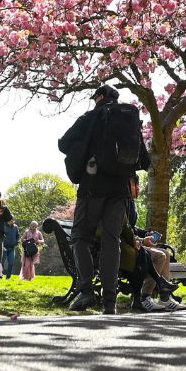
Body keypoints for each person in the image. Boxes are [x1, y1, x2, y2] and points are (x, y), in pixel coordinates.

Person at [58, 85, 149, 313]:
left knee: (80, 236)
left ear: (99, 97)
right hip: (119, 192)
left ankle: (86, 290)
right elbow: (144, 160)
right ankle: (110, 303)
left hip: (92, 187)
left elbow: (63, 143)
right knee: (112, 242)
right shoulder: (129, 120)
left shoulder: (90, 117)